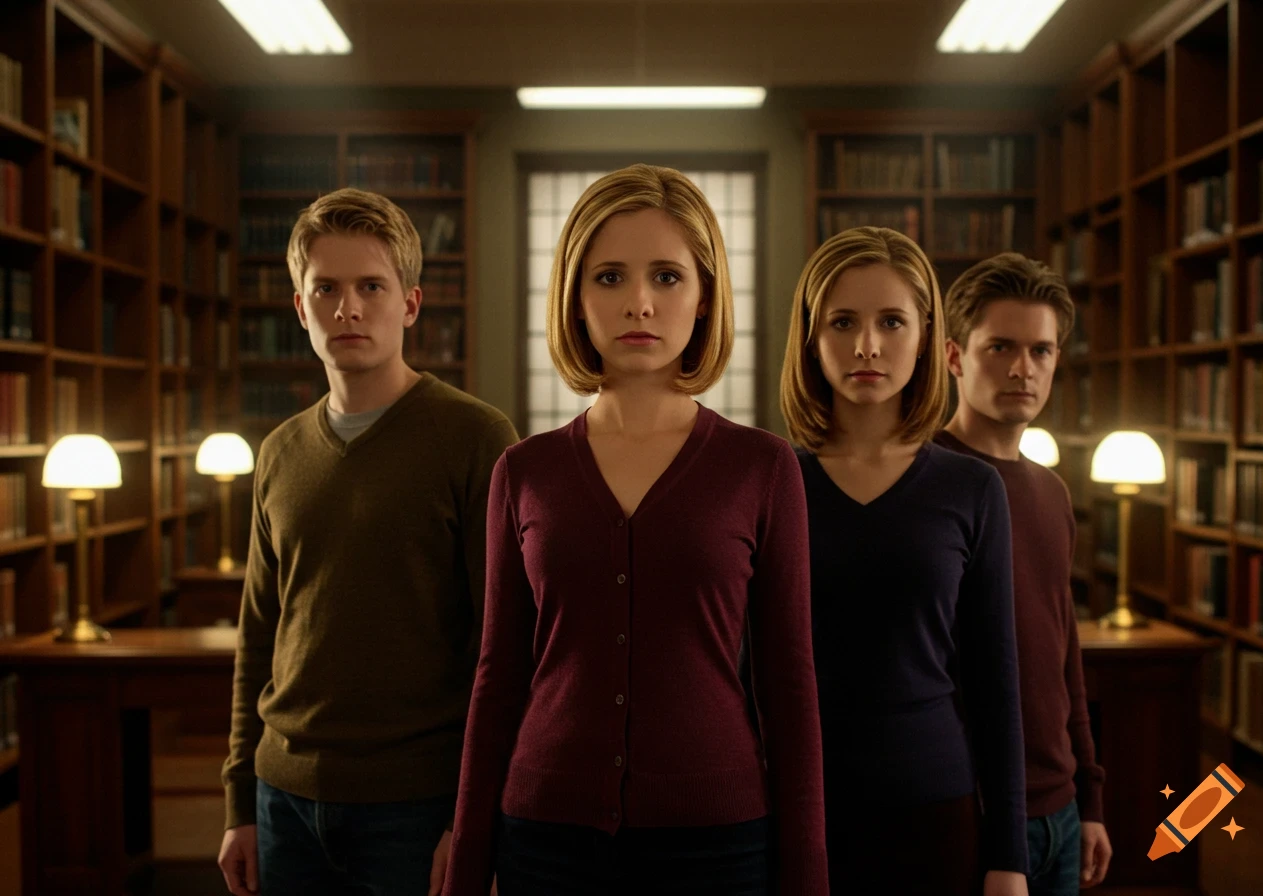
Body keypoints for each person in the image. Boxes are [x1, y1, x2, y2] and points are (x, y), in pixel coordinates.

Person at [443, 164, 828, 896]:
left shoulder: (764, 467)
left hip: (718, 840)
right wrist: (467, 866)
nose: (640, 304)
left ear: (706, 295)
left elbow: (789, 683)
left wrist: (808, 874)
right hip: (545, 837)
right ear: (575, 297)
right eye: (610, 277)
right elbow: (496, 681)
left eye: (667, 277)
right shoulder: (522, 472)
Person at [217, 188, 519, 896]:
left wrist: (473, 814)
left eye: (370, 287)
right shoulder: (281, 451)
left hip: (414, 804)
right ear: (300, 307)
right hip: (281, 795)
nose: (347, 308)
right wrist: (238, 803)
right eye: (326, 289)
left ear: (410, 304)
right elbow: (259, 632)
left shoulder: (476, 438)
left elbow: (499, 645)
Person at [780, 225, 1029, 896]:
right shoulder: (773, 481)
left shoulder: (971, 488)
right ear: (811, 336)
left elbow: (995, 678)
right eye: (843, 322)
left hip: (935, 808)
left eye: (892, 321)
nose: (868, 345)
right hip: (794, 812)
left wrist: (1010, 856)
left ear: (927, 339)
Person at [936, 252, 1111, 895]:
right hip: (968, 805)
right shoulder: (923, 482)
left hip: (1059, 808)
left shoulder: (1052, 492)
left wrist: (1087, 798)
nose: (1022, 368)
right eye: (1001, 347)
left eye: (1041, 351)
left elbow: (1065, 654)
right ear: (955, 355)